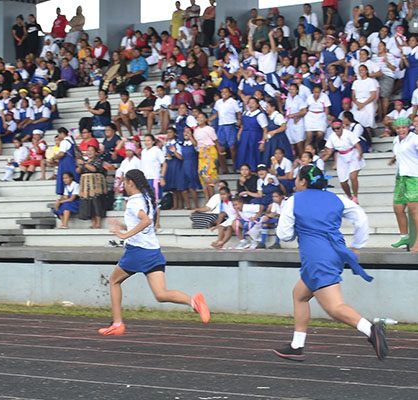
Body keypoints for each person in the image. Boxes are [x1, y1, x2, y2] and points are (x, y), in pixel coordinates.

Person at [273, 164, 387, 362]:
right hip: (334, 253)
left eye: (298, 179)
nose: (296, 182)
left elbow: (284, 234)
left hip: (316, 257)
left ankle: (370, 330)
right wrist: (357, 245)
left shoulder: (294, 200)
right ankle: (297, 344)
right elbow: (360, 217)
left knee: (334, 307)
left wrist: (295, 233)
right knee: (299, 295)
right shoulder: (337, 198)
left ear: (303, 181)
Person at [99, 169, 210, 336]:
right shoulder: (146, 199)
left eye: (125, 182)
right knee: (160, 294)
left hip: (138, 251)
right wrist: (122, 226)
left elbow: (146, 221)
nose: (123, 186)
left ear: (131, 183)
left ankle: (117, 323)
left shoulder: (134, 202)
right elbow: (146, 223)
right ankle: (194, 301)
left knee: (114, 281)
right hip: (153, 251)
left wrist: (124, 235)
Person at [389, 118, 418, 252]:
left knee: (414, 211)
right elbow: (400, 153)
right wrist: (393, 159)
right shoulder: (396, 140)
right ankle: (404, 236)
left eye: (403, 127)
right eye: (398, 128)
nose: (401, 130)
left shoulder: (414, 139)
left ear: (408, 127)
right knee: (398, 208)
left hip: (413, 177)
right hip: (400, 176)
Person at [323, 119, 365, 203]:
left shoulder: (348, 134)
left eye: (338, 128)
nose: (336, 130)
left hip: (353, 154)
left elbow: (357, 145)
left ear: (342, 126)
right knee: (343, 181)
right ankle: (350, 197)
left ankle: (355, 196)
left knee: (353, 177)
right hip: (341, 157)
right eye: (334, 129)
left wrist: (360, 155)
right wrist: (324, 155)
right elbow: (328, 149)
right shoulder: (332, 136)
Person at [237, 97, 268, 172]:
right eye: (249, 103)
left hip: (255, 137)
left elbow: (265, 129)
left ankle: (253, 170)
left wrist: (263, 142)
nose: (251, 105)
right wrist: (239, 134)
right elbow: (243, 126)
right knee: (243, 152)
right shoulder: (245, 113)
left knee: (253, 153)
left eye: (253, 103)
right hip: (245, 136)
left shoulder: (260, 115)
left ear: (257, 105)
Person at [54, 128, 79, 195]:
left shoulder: (64, 141)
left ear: (62, 133)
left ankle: (64, 192)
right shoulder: (71, 140)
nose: (59, 136)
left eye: (59, 134)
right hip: (71, 162)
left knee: (65, 176)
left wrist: (53, 158)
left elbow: (61, 153)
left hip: (66, 162)